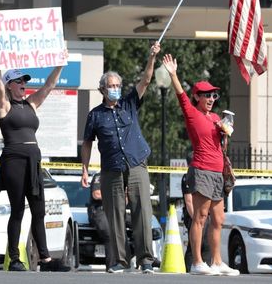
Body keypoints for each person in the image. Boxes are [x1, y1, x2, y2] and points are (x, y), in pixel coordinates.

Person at [81, 42, 160, 274]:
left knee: (142, 211)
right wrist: (85, 169)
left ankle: (146, 259)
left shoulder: (129, 103)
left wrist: (152, 57)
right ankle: (119, 261)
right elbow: (87, 143)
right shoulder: (95, 115)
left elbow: (146, 80)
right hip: (111, 168)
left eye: (117, 85)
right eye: (111, 86)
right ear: (103, 90)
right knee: (114, 215)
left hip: (136, 163)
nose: (115, 88)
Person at [161, 54, 239, 276]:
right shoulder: (193, 113)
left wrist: (226, 134)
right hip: (202, 169)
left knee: (219, 219)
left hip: (217, 172)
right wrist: (173, 74)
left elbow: (221, 144)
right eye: (206, 95)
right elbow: (180, 96)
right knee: (200, 216)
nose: (212, 98)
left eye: (213, 95)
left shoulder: (216, 117)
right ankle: (197, 262)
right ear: (197, 96)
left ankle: (216, 262)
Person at [0, 50, 66, 271]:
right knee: (18, 210)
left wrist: (60, 65)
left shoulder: (31, 104)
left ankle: (45, 259)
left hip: (34, 162)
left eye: (24, 81)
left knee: (39, 211)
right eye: (19, 81)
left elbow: (48, 87)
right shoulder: (5, 106)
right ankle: (15, 258)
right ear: (10, 85)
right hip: (14, 160)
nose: (23, 84)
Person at [181, 151, 211, 272]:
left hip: (203, 215)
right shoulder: (188, 177)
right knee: (195, 244)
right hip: (193, 215)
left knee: (206, 243)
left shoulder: (199, 175)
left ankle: (206, 266)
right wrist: (197, 219)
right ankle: (190, 268)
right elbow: (188, 201)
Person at [87, 173, 113, 270]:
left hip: (115, 211)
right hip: (100, 210)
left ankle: (148, 259)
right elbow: (96, 194)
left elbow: (126, 199)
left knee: (140, 224)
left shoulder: (121, 175)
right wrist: (115, 195)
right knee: (109, 233)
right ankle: (112, 267)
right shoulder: (100, 176)